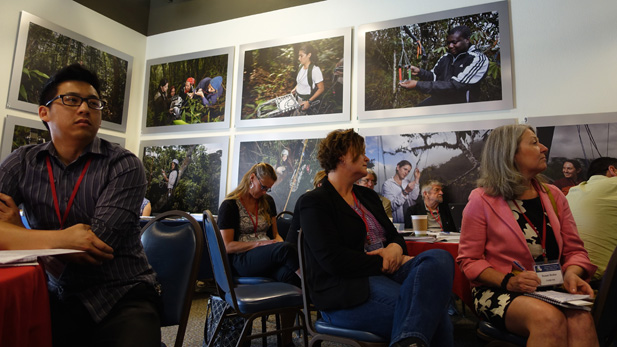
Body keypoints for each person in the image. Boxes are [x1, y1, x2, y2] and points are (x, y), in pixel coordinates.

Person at [0, 64, 160, 347]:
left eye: (93, 103)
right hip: (50, 291)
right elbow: (73, 243)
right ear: (44, 112)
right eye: (72, 100)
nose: (85, 108)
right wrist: (61, 239)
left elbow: (93, 248)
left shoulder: (123, 164)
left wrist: (16, 233)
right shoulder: (21, 162)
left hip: (120, 294)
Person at [299, 129, 455, 347]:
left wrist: (395, 250)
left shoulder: (368, 196)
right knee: (436, 317)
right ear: (342, 156)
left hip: (387, 274)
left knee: (439, 258)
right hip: (347, 291)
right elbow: (333, 260)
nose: (367, 158)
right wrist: (384, 261)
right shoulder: (315, 202)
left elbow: (395, 237)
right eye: (361, 152)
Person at [457, 124, 598, 346]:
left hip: (551, 289)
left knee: (581, 318)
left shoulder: (554, 196)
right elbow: (469, 261)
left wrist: (572, 273)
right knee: (548, 318)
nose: (544, 148)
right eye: (534, 142)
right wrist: (508, 281)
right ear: (510, 154)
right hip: (498, 289)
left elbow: (575, 251)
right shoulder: (481, 199)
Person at [217, 162, 300, 286]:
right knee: (286, 250)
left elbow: (275, 234)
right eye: (263, 187)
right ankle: (317, 288)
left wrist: (278, 244)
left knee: (291, 276)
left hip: (266, 255)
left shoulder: (268, 202)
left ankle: (308, 303)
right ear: (252, 178)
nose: (265, 192)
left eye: (268, 189)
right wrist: (259, 244)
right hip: (243, 259)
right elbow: (227, 246)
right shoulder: (230, 205)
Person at [399, 25, 489, 107]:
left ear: (467, 40)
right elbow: (434, 76)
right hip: (438, 101)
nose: (450, 46)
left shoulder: (478, 59)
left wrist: (417, 85)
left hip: (461, 106)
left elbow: (455, 86)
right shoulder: (446, 57)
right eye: (448, 43)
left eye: (454, 42)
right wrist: (420, 72)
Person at [566, 157, 617, 285]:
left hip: (571, 273)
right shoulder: (614, 184)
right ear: (612, 170)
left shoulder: (574, 191)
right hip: (604, 280)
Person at [291, 44, 325, 114]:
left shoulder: (315, 70)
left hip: (305, 102)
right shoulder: (300, 66)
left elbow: (321, 88)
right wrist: (295, 88)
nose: (299, 58)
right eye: (298, 56)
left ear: (309, 55)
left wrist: (309, 101)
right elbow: (300, 81)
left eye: (301, 56)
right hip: (297, 99)